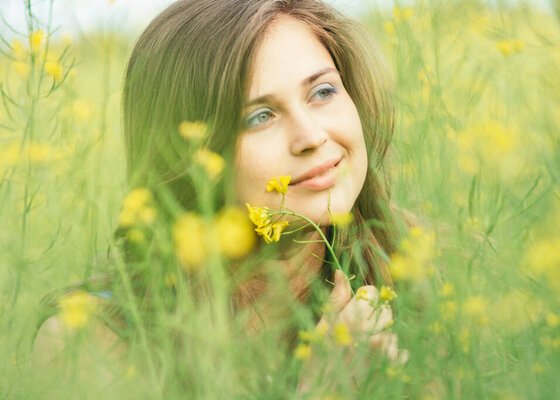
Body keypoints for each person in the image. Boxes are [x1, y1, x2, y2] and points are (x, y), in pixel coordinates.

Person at [33, 0, 404, 395]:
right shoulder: (88, 340)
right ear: (186, 157)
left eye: (322, 91)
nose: (311, 137)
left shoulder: (420, 276)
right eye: (259, 116)